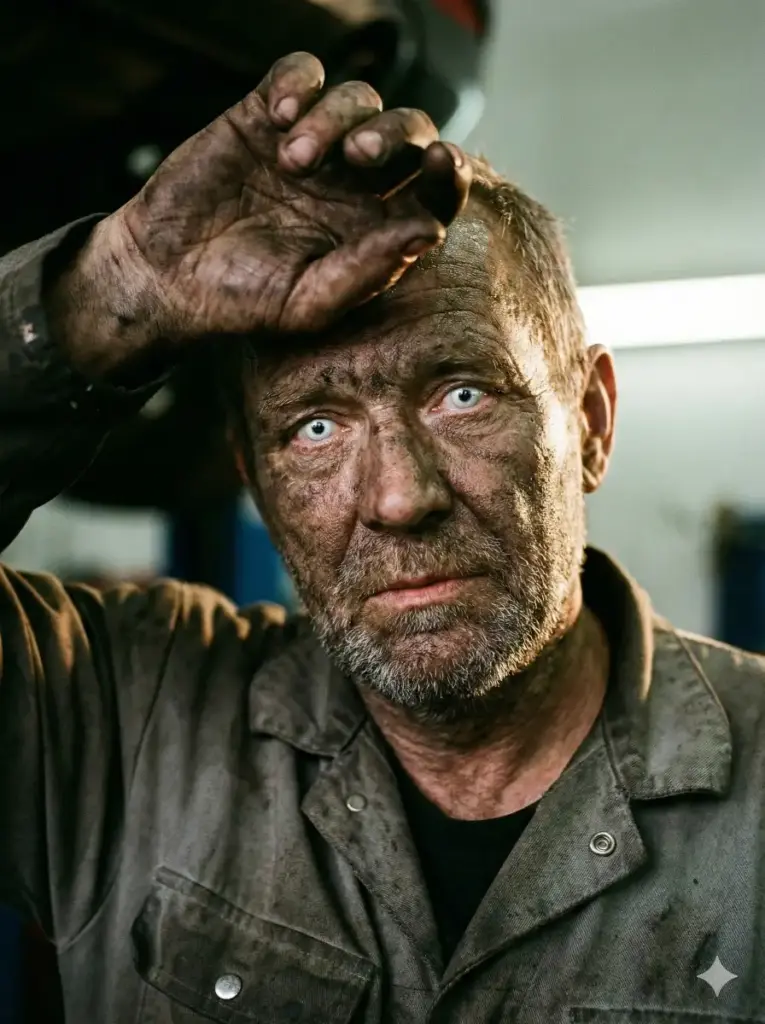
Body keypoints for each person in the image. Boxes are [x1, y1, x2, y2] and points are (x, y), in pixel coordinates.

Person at [0, 50, 763, 1024]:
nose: (400, 497)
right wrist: (117, 285)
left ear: (593, 420)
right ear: (254, 475)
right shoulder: (115, 726)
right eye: (315, 426)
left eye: (462, 393)